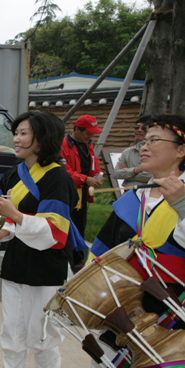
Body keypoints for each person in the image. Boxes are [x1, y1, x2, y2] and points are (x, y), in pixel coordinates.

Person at [88, 115, 185, 368]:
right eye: (143, 138)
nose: (144, 145)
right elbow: (99, 254)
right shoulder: (131, 200)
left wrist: (184, 205)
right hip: (122, 311)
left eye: (155, 140)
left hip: (173, 312)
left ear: (181, 151)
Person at [0, 111, 84, 368]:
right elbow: (9, 223)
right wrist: (0, 232)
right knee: (12, 326)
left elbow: (55, 231)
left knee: (42, 329)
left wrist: (13, 215)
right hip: (17, 260)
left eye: (24, 133)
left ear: (43, 138)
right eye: (16, 132)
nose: (16, 138)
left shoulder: (58, 177)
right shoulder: (12, 174)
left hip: (47, 265)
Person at [61, 114, 104, 268]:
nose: (90, 136)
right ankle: (66, 258)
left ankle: (77, 259)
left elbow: (93, 164)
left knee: (80, 225)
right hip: (68, 193)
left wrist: (97, 175)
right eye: (87, 132)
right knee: (67, 225)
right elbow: (64, 171)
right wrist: (85, 179)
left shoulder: (88, 145)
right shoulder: (64, 145)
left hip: (83, 194)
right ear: (77, 130)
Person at [112, 115, 154, 188]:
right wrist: (136, 169)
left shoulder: (157, 151)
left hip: (149, 193)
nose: (139, 130)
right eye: (137, 127)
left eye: (144, 128)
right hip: (129, 193)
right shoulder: (128, 152)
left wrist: (127, 173)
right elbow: (116, 174)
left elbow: (154, 175)